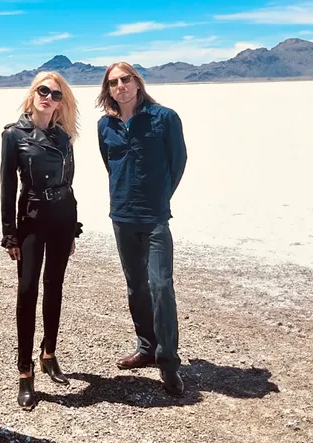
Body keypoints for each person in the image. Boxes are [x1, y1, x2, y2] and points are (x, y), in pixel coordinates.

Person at [95, 62, 188, 397]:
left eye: (126, 79)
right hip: (122, 216)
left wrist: (159, 197)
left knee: (161, 285)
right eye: (113, 82)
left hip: (154, 218)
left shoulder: (164, 118)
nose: (120, 86)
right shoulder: (105, 125)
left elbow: (177, 161)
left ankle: (168, 362)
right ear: (108, 89)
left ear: (137, 82)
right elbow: (110, 164)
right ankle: (146, 347)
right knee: (136, 286)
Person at [0, 71, 82, 410]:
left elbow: (69, 181)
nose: (49, 98)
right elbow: (7, 186)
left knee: (55, 286)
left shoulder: (64, 136)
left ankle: (49, 354)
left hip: (62, 218)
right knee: (27, 291)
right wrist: (9, 233)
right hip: (32, 219)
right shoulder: (13, 135)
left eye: (56, 94)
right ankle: (25, 370)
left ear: (61, 103)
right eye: (43, 91)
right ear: (33, 94)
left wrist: (73, 226)